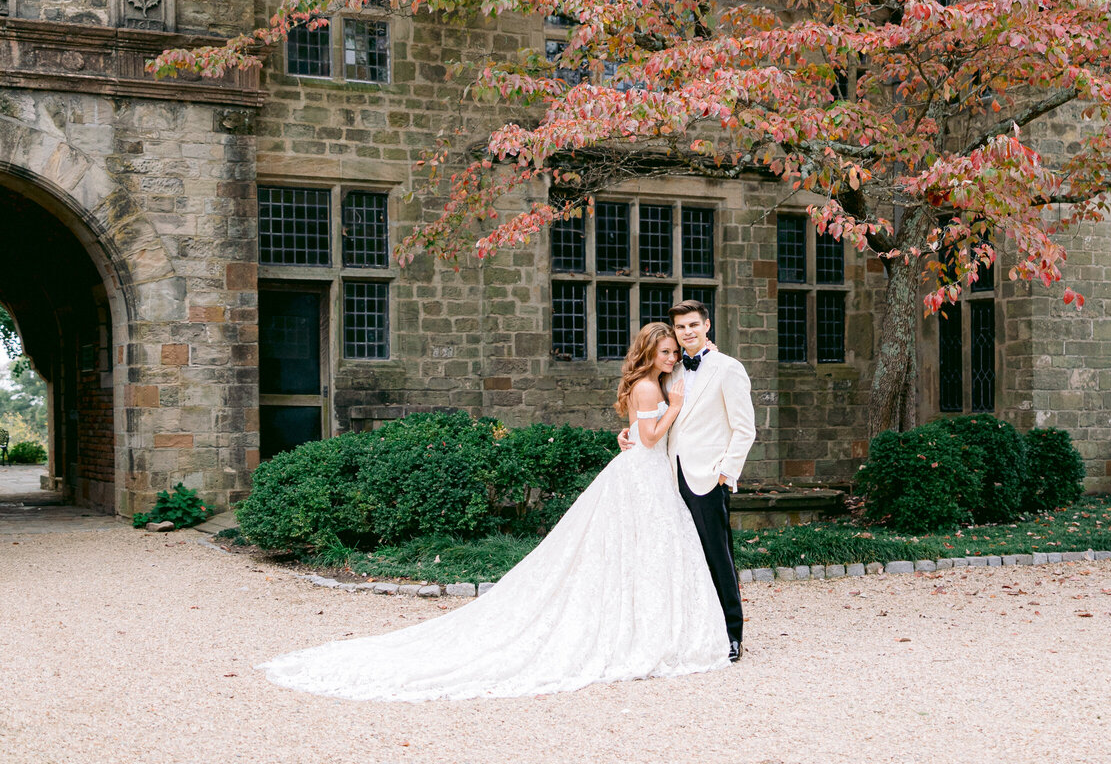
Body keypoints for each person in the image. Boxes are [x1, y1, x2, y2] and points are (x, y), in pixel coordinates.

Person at [259, 322, 730, 702]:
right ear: (650, 353)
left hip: (644, 475)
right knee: (640, 550)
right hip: (643, 474)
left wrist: (635, 430)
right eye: (666, 351)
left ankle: (646, 624)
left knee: (639, 553)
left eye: (674, 350)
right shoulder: (652, 388)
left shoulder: (647, 384)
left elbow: (634, 433)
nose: (672, 358)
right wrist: (676, 407)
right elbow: (648, 437)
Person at [618, 299, 756, 661]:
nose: (688, 332)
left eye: (694, 325)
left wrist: (727, 474)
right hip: (666, 475)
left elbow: (744, 428)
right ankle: (696, 629)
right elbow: (652, 417)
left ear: (707, 325)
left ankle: (732, 634)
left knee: (717, 555)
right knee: (682, 558)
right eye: (681, 327)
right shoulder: (671, 371)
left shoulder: (728, 368)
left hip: (708, 478)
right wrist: (629, 433)